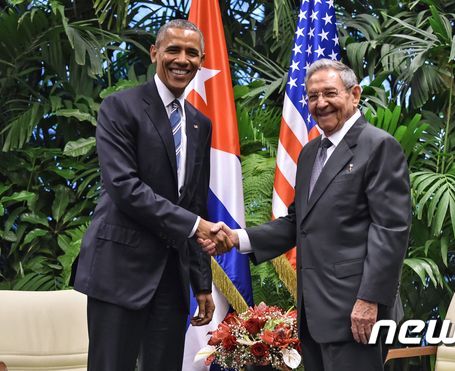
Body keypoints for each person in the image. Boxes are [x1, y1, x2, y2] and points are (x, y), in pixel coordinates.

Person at [200, 59, 411, 371]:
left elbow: (390, 230)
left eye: (329, 93)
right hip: (314, 313)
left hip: (358, 313)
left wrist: (370, 301)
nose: (320, 103)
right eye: (313, 96)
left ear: (354, 94)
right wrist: (236, 238)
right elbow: (298, 223)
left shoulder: (379, 146)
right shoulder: (311, 153)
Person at [73, 20, 230, 371]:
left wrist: (201, 282)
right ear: (155, 52)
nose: (182, 59)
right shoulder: (120, 107)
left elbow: (194, 203)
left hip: (171, 280)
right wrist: (195, 225)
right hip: (118, 271)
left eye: (192, 53)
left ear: (202, 60)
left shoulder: (199, 124)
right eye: (173, 49)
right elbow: (124, 187)